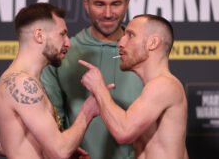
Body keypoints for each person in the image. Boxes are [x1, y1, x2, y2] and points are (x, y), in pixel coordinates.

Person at [41, 0, 143, 158]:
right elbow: (51, 127)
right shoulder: (62, 53)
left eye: (116, 4)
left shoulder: (145, 53)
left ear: (127, 3)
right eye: (99, 4)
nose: (108, 13)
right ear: (86, 5)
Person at [0, 3, 99, 159]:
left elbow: (2, 146)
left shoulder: (18, 79)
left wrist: (47, 150)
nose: (68, 43)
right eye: (62, 34)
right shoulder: (22, 84)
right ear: (39, 35)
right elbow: (60, 151)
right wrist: (87, 112)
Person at [79, 14, 189, 159]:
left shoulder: (164, 84)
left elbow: (123, 131)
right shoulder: (155, 88)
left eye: (130, 35)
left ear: (153, 43)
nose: (121, 43)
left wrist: (98, 88)